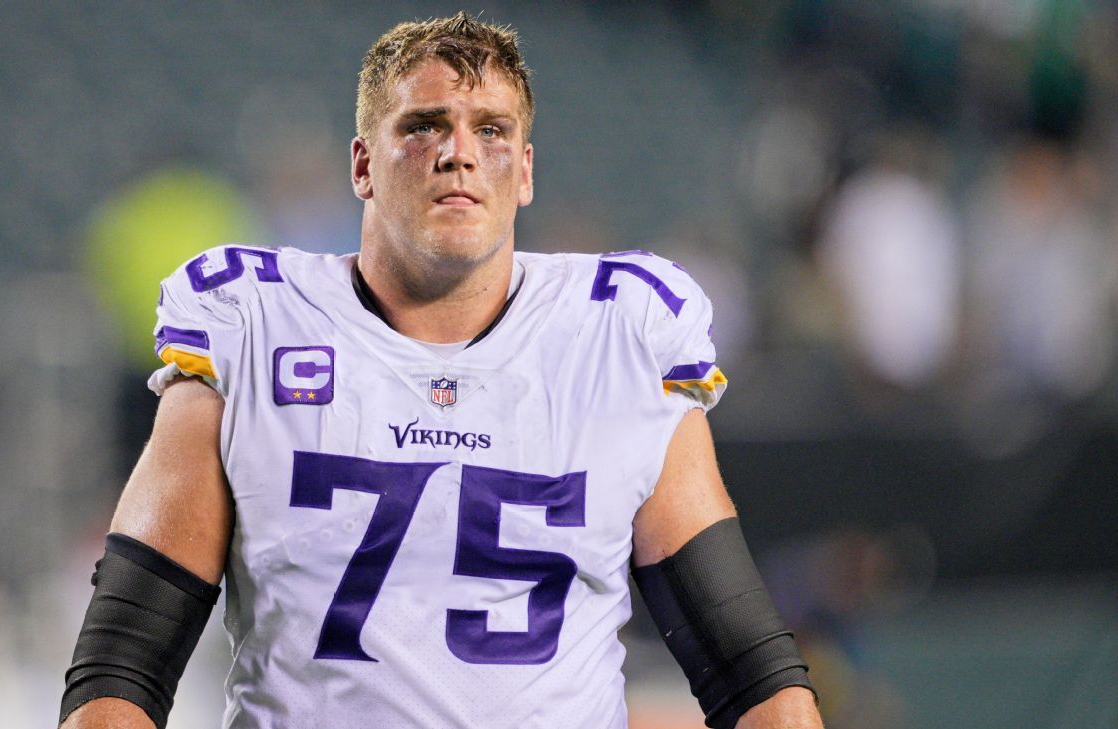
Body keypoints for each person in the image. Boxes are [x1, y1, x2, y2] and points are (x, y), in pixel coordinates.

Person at [60, 13, 822, 729]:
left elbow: (747, 670)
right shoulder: (255, 329)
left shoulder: (614, 341)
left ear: (524, 172)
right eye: (423, 125)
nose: (457, 151)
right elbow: (125, 661)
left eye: (490, 130)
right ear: (362, 163)